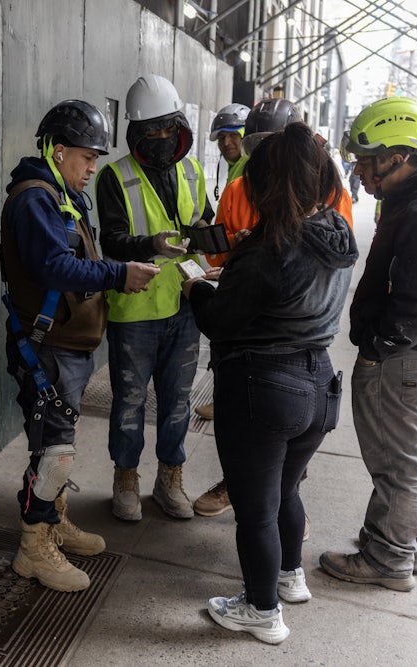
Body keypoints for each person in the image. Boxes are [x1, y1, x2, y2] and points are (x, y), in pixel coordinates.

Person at [182, 122, 358, 644]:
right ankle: (289, 578)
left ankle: (262, 612)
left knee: (254, 509)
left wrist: (197, 289)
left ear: (269, 185)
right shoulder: (335, 233)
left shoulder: (269, 249)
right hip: (319, 384)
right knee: (284, 490)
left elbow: (220, 320)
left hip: (263, 386)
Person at [1, 99, 162, 592]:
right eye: (87, 157)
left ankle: (52, 523)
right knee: (55, 452)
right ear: (56, 149)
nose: (93, 167)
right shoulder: (35, 200)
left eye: (96, 158)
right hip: (46, 349)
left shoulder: (64, 195)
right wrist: (119, 274)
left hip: (67, 345)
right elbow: (53, 267)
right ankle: (33, 549)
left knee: (57, 444)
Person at [320, 96, 417, 591]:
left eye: (367, 159)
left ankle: (387, 558)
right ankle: (410, 547)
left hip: (409, 357)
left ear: (399, 155)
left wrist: (380, 346)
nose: (361, 170)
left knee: (399, 463)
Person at [192, 98, 355, 522]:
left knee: (262, 507)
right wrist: (243, 254)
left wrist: (263, 256)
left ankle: (265, 579)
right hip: (304, 369)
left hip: (268, 365)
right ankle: (287, 568)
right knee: (276, 489)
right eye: (258, 144)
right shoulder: (239, 189)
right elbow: (228, 254)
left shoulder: (330, 200)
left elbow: (311, 270)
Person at [96, 74, 215, 521]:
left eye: (170, 130)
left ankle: (171, 478)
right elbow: (111, 242)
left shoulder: (192, 169)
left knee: (177, 401)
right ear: (136, 134)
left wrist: (204, 237)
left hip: (185, 303)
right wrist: (152, 245)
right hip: (137, 310)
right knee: (129, 401)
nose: (163, 140)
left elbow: (199, 222)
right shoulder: (114, 176)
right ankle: (125, 478)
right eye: (153, 133)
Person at [192, 102, 250, 423]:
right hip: (232, 264)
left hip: (240, 266)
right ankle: (224, 397)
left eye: (233, 136)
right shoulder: (236, 169)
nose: (227, 143)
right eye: (222, 138)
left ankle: (225, 400)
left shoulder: (248, 170)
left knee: (229, 338)